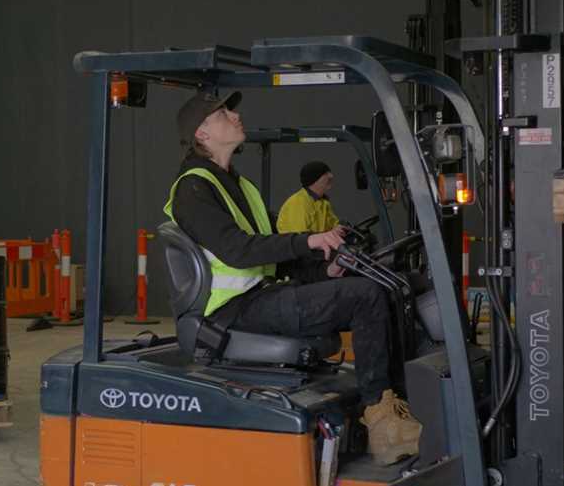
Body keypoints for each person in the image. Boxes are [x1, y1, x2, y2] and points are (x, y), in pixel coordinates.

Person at [164, 91, 421, 464]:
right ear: (202, 133)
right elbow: (238, 250)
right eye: (223, 113)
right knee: (365, 297)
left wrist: (325, 270)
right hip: (231, 312)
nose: (235, 116)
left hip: (260, 296)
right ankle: (382, 425)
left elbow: (274, 257)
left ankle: (397, 401)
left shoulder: (237, 185)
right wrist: (308, 240)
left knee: (385, 286)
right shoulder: (194, 188)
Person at [276, 161, 340, 233]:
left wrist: (341, 229)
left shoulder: (323, 202)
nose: (331, 176)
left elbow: (334, 224)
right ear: (314, 180)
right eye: (325, 173)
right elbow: (299, 240)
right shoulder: (298, 203)